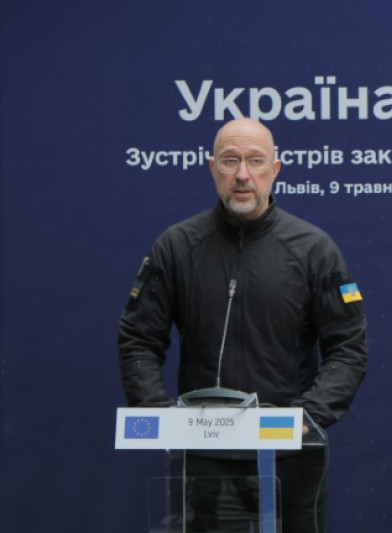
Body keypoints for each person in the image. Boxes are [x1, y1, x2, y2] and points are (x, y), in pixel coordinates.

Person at [118, 118, 368, 532]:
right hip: (205, 458)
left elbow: (348, 347)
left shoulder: (314, 249)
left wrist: (310, 416)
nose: (242, 175)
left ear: (275, 168)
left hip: (289, 456)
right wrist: (159, 415)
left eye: (255, 161)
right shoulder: (176, 246)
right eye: (230, 160)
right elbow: (138, 339)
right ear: (212, 167)